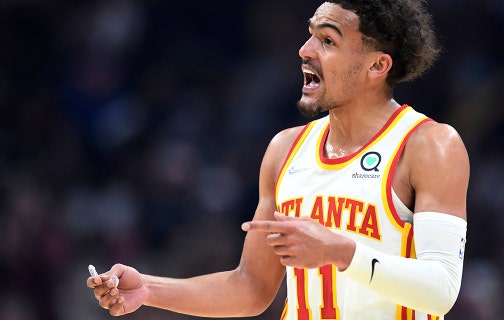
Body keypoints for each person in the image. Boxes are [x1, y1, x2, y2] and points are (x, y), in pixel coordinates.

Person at [87, 1, 470, 319]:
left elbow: (441, 290)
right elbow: (251, 287)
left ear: (377, 66)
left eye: (327, 40)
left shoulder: (429, 145)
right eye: (310, 35)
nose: (305, 50)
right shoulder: (285, 149)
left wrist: (340, 251)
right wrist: (148, 289)